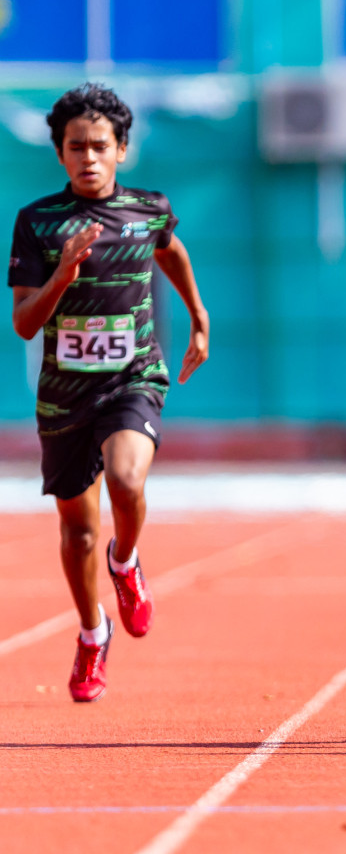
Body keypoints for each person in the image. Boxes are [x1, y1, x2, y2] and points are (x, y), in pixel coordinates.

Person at [8, 84, 210, 702]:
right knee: (77, 531)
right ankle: (93, 634)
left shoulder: (148, 209)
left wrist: (198, 317)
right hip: (65, 395)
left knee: (126, 481)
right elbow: (23, 322)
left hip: (133, 378)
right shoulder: (38, 222)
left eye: (100, 145)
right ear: (60, 153)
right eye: (76, 147)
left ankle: (127, 563)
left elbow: (170, 250)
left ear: (121, 149)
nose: (89, 157)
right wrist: (63, 273)